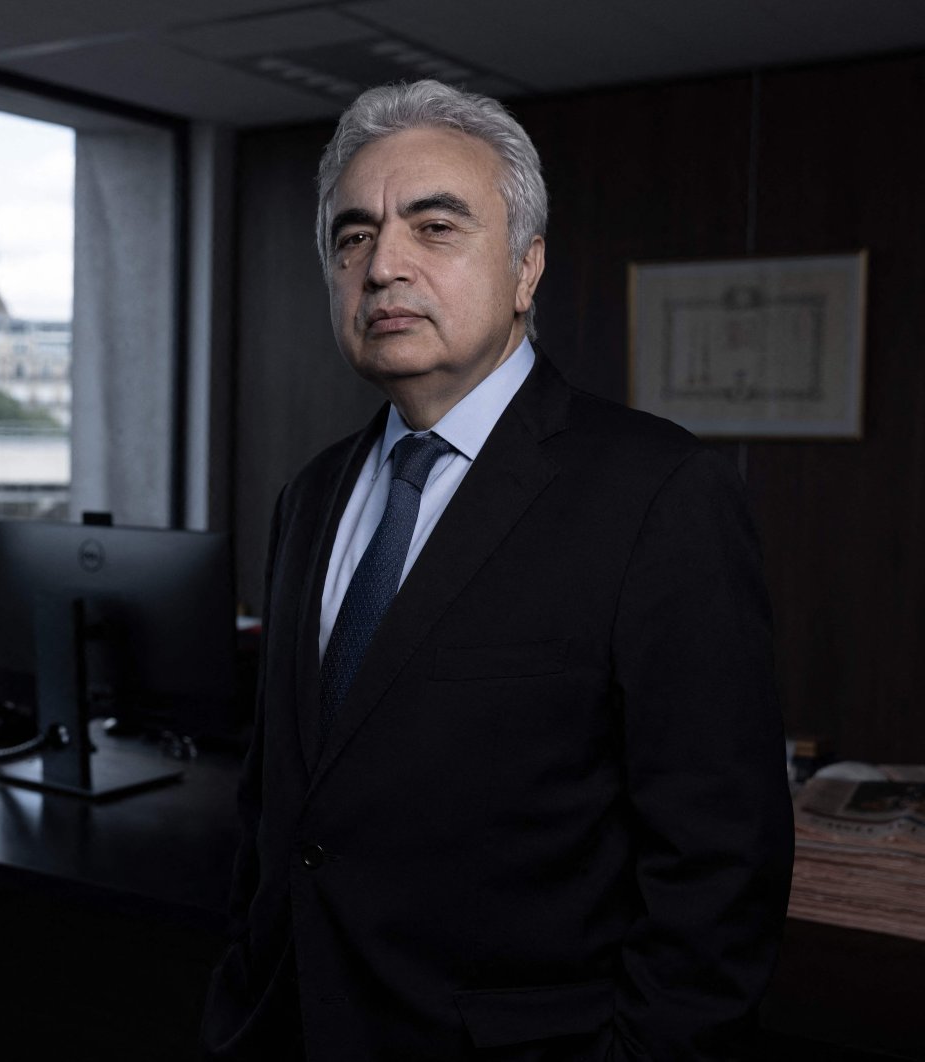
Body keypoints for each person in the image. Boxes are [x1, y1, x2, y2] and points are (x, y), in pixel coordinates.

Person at [200, 80, 794, 1061]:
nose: (382, 263)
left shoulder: (659, 494)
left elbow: (718, 878)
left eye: (434, 227)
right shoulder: (310, 496)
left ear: (526, 269)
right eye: (352, 238)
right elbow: (278, 806)